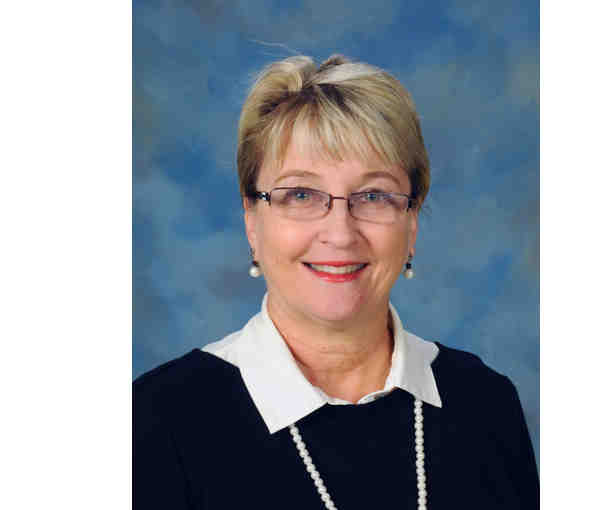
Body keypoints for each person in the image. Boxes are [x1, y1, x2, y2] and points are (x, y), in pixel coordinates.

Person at [133, 54, 539, 509]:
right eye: (300, 194)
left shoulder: (486, 403)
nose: (340, 233)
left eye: (374, 196)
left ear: (411, 222)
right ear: (251, 219)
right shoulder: (157, 419)